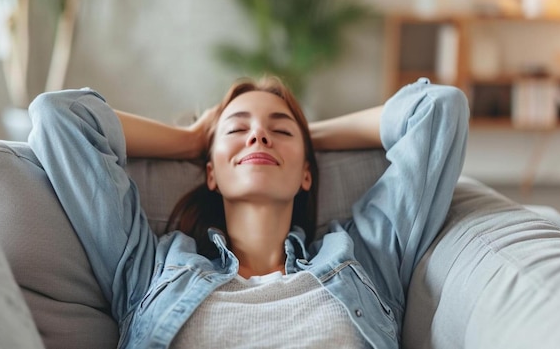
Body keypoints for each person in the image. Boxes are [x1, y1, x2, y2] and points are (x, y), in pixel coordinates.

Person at [27, 76, 469, 348]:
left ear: (307, 176)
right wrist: (189, 139)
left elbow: (438, 109)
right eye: (238, 129)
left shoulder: (363, 258)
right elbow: (59, 116)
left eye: (278, 129)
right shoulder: (151, 269)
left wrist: (309, 134)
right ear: (211, 173)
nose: (259, 135)